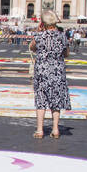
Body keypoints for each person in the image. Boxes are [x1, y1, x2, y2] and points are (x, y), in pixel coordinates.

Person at [30, 9, 71, 139]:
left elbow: (32, 47)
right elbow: (67, 53)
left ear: (43, 22)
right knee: (56, 100)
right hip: (57, 71)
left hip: (42, 71)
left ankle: (40, 130)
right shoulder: (62, 36)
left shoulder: (39, 36)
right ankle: (55, 129)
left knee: (41, 100)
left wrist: (38, 31)